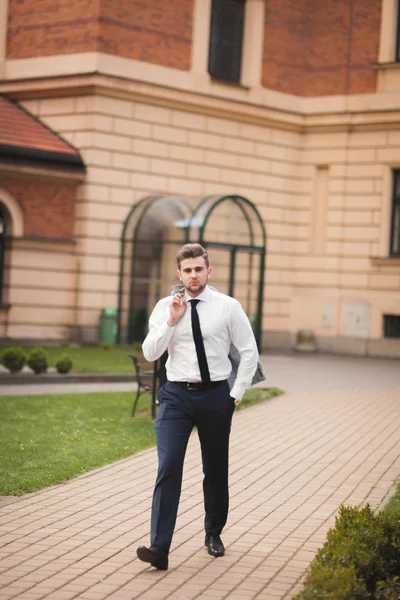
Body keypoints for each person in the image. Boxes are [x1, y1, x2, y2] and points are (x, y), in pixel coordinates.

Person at [136, 243, 259, 570]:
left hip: (217, 395)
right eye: (187, 270)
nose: (193, 275)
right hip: (176, 395)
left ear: (208, 270)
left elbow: (249, 351)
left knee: (215, 468)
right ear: (179, 273)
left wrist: (237, 393)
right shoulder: (166, 306)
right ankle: (159, 547)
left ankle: (213, 532)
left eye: (198, 269)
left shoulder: (228, 307)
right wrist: (172, 322)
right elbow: (150, 353)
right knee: (169, 465)